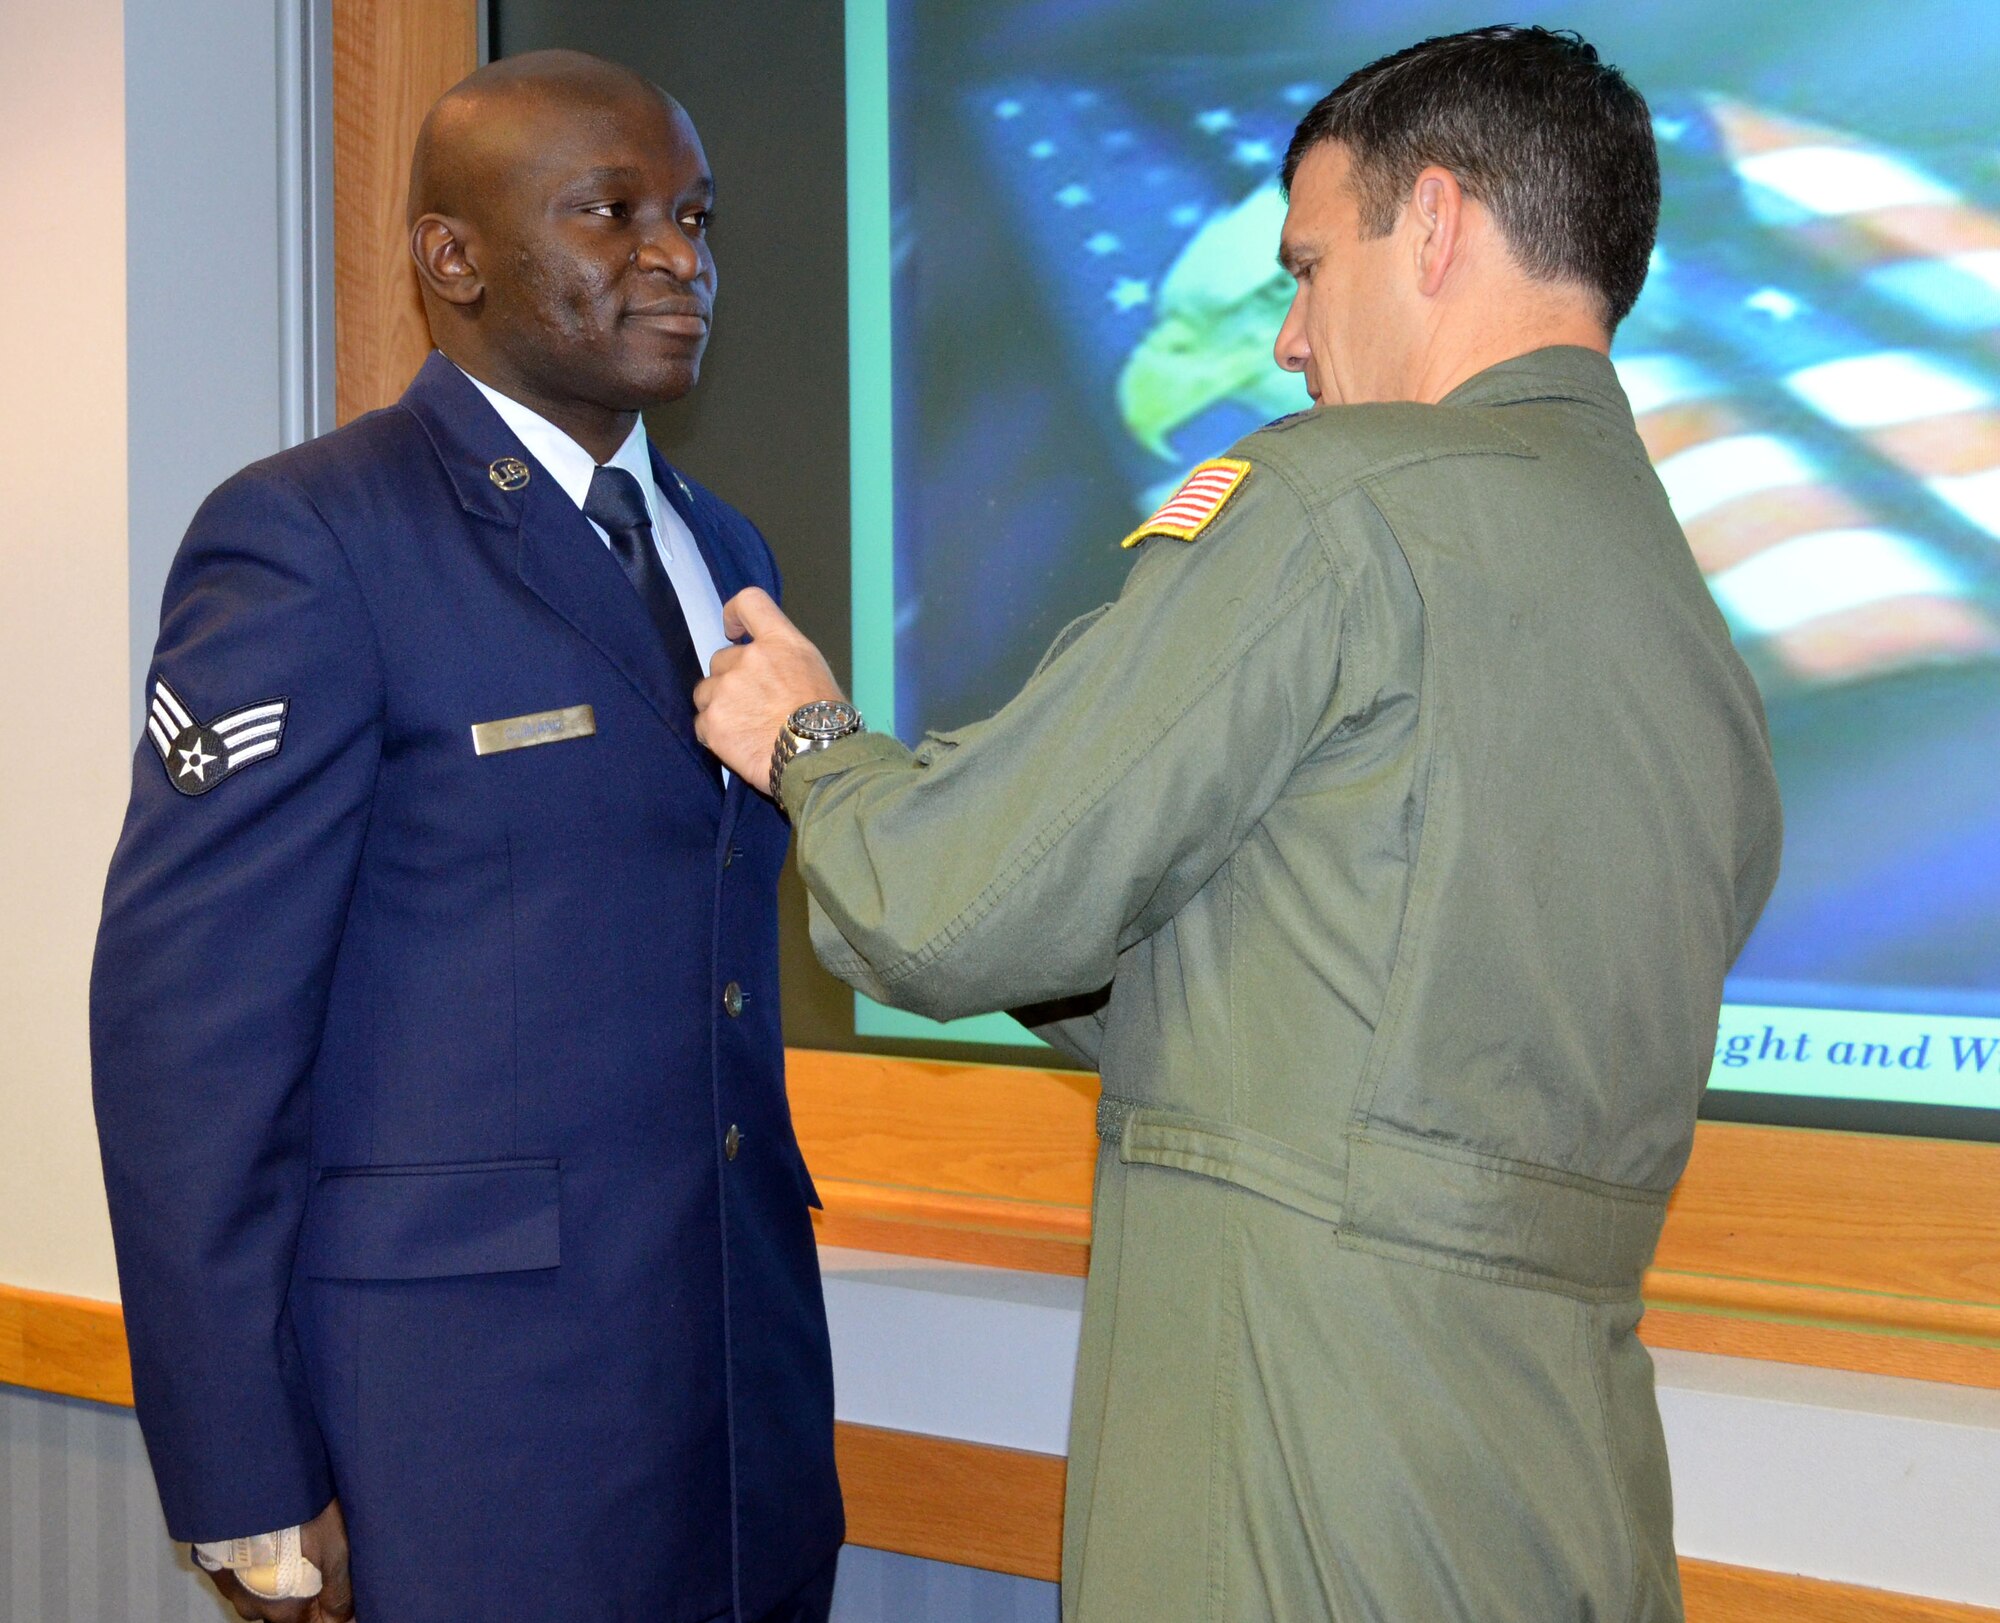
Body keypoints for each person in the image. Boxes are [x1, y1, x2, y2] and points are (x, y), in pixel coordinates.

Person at [695, 25, 1781, 1623]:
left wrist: (814, 743)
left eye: (1304, 264)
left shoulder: (1332, 511)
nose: (1286, 339)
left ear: (1434, 223)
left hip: (1299, 1472)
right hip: (1560, 1488)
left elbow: (940, 905)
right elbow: (1305, 998)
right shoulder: (1693, 631)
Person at [91, 49, 840, 1623]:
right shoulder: (311, 538)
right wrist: (245, 1477)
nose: (677, 255)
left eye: (695, 215)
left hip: (734, 1421)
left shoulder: (726, 548)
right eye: (610, 212)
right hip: (464, 1440)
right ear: (451, 257)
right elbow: (190, 1046)